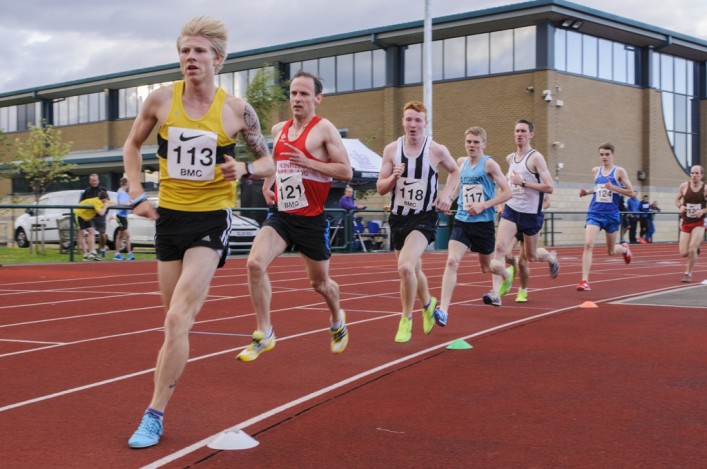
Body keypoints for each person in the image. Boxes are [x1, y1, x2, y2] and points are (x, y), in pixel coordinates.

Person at [123, 17, 272, 449]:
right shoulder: (159, 101)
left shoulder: (237, 110)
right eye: (185, 51)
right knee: (175, 325)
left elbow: (269, 164)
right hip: (169, 218)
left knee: (176, 319)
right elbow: (131, 146)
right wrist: (135, 193)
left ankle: (153, 415)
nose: (190, 57)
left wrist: (243, 167)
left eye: (199, 51)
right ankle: (171, 376)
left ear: (218, 60)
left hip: (211, 219)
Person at [237, 70, 352, 361]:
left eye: (303, 94)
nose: (297, 99)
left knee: (320, 285)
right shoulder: (279, 130)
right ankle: (265, 332)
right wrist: (266, 184)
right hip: (282, 214)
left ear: (317, 98)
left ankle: (337, 319)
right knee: (254, 264)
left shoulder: (325, 129)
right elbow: (275, 162)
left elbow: (346, 171)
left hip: (311, 219)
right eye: (293, 94)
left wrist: (310, 162)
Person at [376, 100, 460, 342]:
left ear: (425, 123)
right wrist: (393, 177)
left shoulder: (436, 150)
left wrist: (446, 195)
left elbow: (455, 171)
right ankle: (428, 305)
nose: (413, 124)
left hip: (424, 218)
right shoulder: (391, 150)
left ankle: (405, 318)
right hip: (398, 218)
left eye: (417, 120)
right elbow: (381, 188)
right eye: (409, 119)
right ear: (403, 122)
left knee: (405, 266)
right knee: (413, 269)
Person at [433, 126, 511, 326]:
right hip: (461, 221)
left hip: (483, 224)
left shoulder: (489, 165)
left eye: (476, 142)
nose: (471, 146)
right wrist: (448, 200)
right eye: (469, 142)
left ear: (483, 144)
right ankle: (443, 310)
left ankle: (505, 272)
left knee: (486, 267)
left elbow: (507, 192)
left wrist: (484, 205)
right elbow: (459, 186)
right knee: (452, 261)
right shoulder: (461, 163)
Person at [484, 119, 559, 307]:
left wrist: (524, 183)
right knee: (499, 249)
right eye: (516, 130)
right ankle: (495, 294)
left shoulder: (536, 158)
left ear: (531, 134)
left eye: (523, 131)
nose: (519, 134)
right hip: (512, 210)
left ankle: (550, 257)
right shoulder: (510, 159)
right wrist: (502, 201)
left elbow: (550, 187)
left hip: (531, 215)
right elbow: (507, 183)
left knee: (532, 256)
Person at [576, 143, 634, 291]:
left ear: (612, 155)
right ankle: (584, 281)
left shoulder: (619, 171)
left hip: (611, 215)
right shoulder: (596, 171)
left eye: (607, 154)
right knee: (588, 244)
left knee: (611, 251)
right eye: (602, 154)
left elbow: (632, 192)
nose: (604, 157)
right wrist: (586, 192)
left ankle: (624, 250)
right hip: (595, 213)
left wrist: (614, 187)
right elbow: (598, 188)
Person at [504, 194, 551, 303]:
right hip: (514, 221)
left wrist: (536, 210)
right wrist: (502, 207)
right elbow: (503, 191)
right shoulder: (512, 178)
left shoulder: (537, 179)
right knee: (505, 253)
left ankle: (522, 290)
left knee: (524, 262)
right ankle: (514, 263)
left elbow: (547, 202)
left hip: (531, 222)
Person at [675, 165, 706, 283]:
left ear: (701, 175)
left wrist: (702, 211)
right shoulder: (684, 186)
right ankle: (695, 249)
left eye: (697, 173)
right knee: (684, 252)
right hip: (686, 221)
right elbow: (677, 200)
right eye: (692, 173)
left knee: (692, 248)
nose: (694, 175)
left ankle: (687, 273)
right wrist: (680, 206)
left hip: (699, 222)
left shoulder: (705, 188)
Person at [75, 191, 113, 261]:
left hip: (86, 216)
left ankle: (92, 252)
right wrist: (105, 206)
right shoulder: (97, 202)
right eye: (105, 200)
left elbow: (113, 203)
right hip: (79, 214)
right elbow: (101, 213)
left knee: (91, 231)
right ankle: (85, 255)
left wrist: (107, 204)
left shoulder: (104, 201)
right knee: (82, 233)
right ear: (103, 199)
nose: (106, 201)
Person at [79, 173, 108, 257]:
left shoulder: (102, 190)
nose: (94, 182)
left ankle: (102, 248)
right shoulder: (86, 191)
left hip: (100, 216)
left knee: (102, 234)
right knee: (90, 232)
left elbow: (107, 201)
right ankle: (92, 251)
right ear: (90, 181)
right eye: (92, 181)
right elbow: (81, 203)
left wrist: (104, 212)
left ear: (98, 181)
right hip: (90, 216)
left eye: (95, 180)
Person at [113, 177, 135, 260]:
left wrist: (132, 203)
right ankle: (130, 254)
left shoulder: (125, 193)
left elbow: (129, 202)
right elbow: (121, 203)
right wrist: (129, 204)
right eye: (128, 183)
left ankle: (117, 254)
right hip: (120, 216)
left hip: (124, 216)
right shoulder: (121, 192)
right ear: (126, 184)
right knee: (127, 235)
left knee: (120, 236)